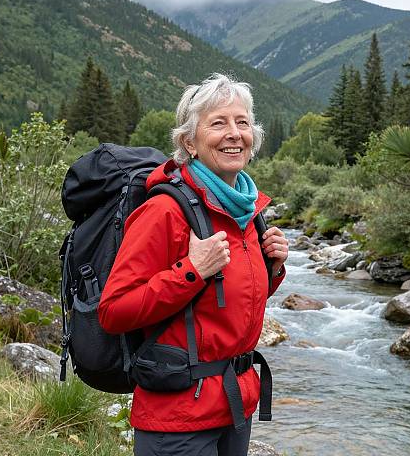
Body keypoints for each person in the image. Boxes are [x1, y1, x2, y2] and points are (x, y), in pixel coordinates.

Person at [98, 73, 289, 456]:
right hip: (178, 417)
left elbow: (225, 303)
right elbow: (114, 311)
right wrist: (191, 270)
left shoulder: (246, 211)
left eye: (243, 122)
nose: (234, 133)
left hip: (235, 405)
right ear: (190, 142)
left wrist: (273, 267)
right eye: (218, 123)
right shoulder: (165, 211)